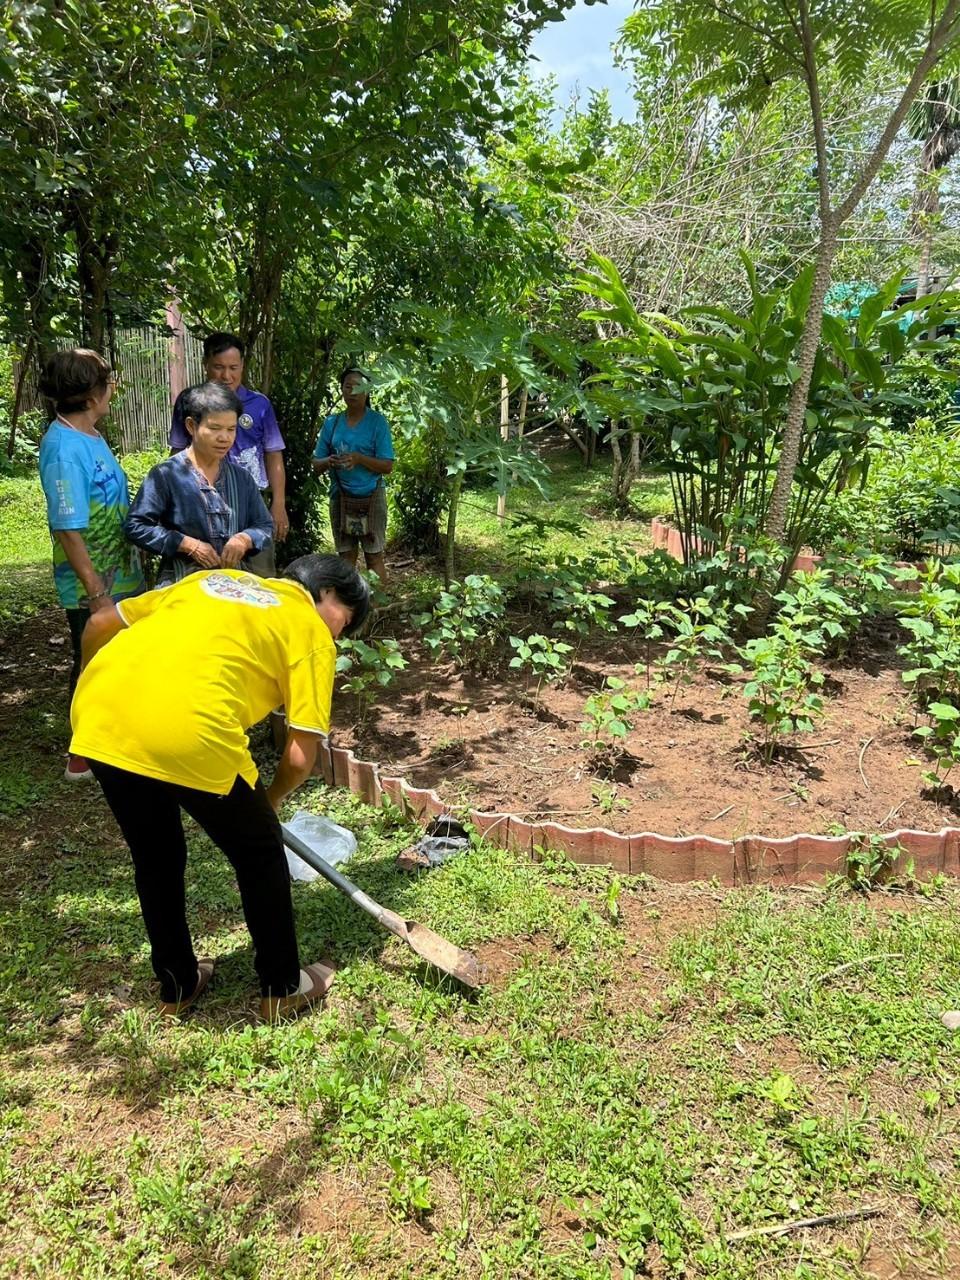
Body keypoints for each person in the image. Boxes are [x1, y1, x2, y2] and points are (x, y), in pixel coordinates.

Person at [69, 555, 370, 1022]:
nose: (338, 635)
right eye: (344, 622)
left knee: (156, 857)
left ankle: (178, 984)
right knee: (260, 853)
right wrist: (267, 805)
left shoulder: (214, 581)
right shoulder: (310, 633)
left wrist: (87, 704)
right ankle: (282, 987)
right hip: (192, 731)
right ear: (327, 593)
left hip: (100, 715)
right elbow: (299, 758)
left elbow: (102, 623)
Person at [37, 347, 145, 781]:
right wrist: (96, 592)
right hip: (92, 582)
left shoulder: (90, 435)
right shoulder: (63, 448)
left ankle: (117, 741)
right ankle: (81, 754)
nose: (112, 387)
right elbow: (67, 528)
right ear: (89, 394)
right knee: (93, 659)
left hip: (120, 572)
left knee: (117, 658)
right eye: (107, 380)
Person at [126, 382, 273, 585]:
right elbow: (136, 526)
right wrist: (187, 544)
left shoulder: (242, 478)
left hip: (234, 585)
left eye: (231, 429)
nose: (224, 437)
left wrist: (245, 539)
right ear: (191, 426)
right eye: (215, 428)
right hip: (182, 584)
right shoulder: (166, 475)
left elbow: (264, 525)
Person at [169, 332, 287, 573]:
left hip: (252, 503)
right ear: (205, 365)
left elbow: (273, 455)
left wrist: (279, 503)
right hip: (201, 500)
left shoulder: (260, 404)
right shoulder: (189, 400)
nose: (226, 375)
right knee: (203, 577)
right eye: (218, 367)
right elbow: (177, 451)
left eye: (233, 367)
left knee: (259, 578)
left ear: (243, 365)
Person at [312, 368, 395, 582]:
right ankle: (349, 606)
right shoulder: (332, 423)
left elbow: (387, 465)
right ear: (341, 390)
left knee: (374, 556)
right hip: (340, 496)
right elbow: (316, 463)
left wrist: (359, 459)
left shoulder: (377, 422)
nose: (352, 392)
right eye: (347, 386)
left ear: (367, 391)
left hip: (372, 497)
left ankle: (377, 606)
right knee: (345, 557)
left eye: (358, 387)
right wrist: (330, 461)